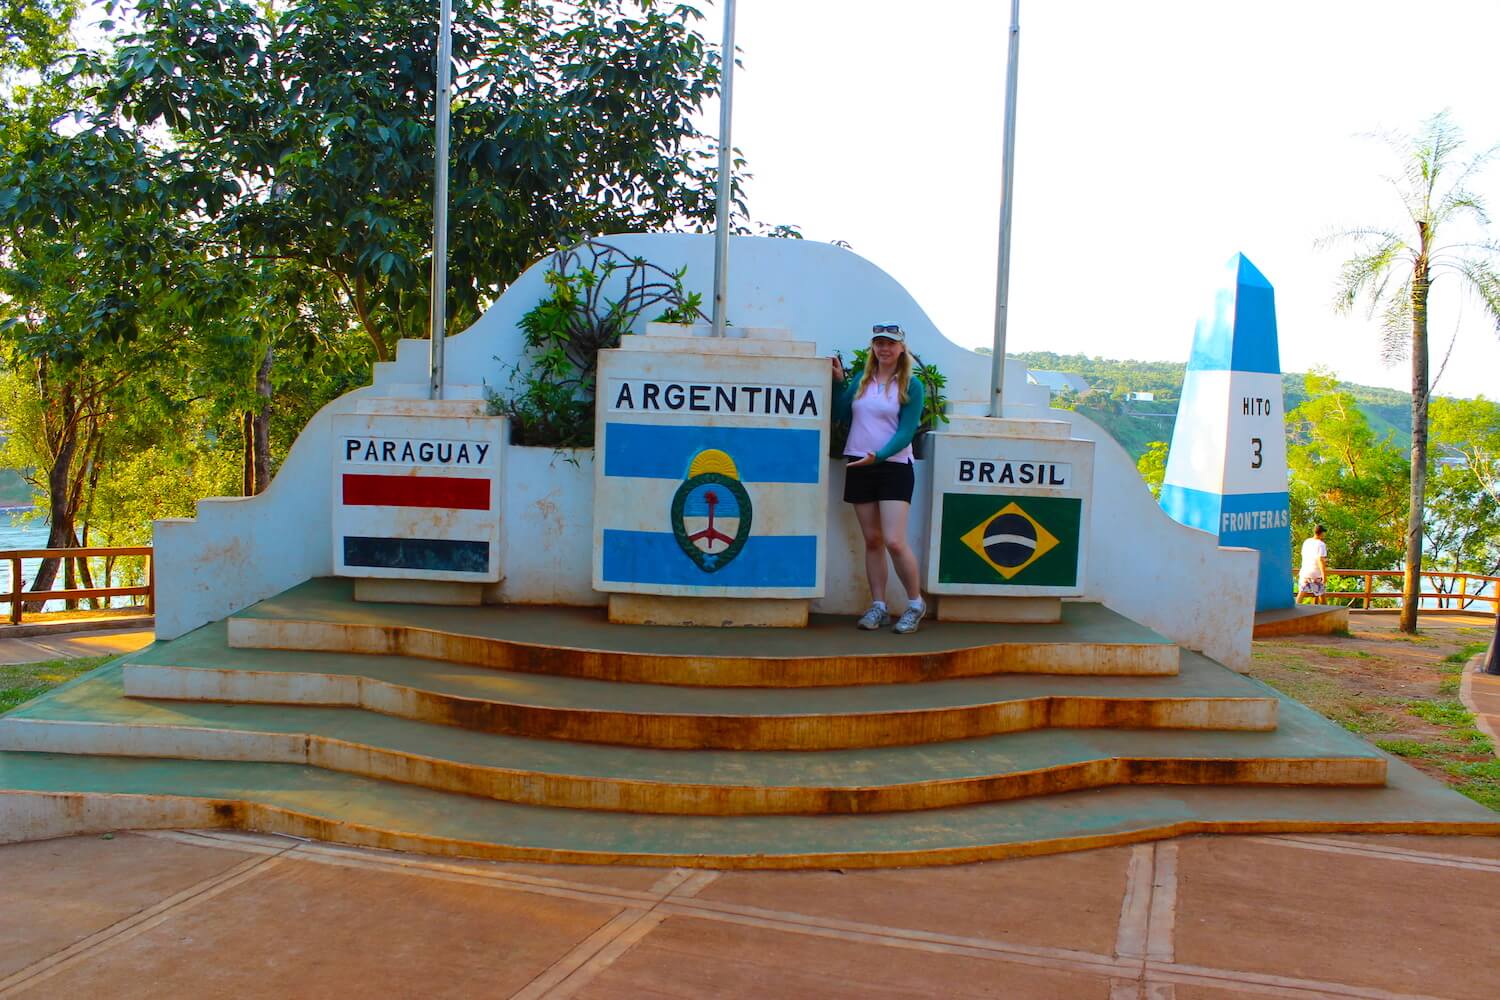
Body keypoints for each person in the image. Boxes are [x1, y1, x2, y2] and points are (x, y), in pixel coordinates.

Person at [831, 323, 927, 634]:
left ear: (902, 348)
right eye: (879, 343)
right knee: (872, 541)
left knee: (894, 541)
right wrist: (838, 383)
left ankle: (914, 604)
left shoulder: (911, 384)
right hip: (859, 463)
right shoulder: (863, 379)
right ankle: (879, 606)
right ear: (874, 347)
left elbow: (906, 431)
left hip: (894, 466)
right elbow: (841, 413)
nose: (884, 349)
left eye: (891, 343)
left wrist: (881, 455)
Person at [1297, 524, 1328, 604]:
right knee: (1322, 595)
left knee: (1301, 594)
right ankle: (1326, 613)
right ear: (1321, 533)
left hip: (1305, 572)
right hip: (1315, 574)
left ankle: (1293, 612)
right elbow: (1320, 560)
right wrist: (1324, 576)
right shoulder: (1321, 545)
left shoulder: (1307, 542)